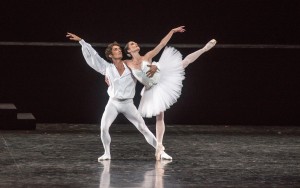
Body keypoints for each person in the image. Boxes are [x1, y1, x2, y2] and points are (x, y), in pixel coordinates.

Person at [66, 32, 172, 161]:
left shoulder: (130, 66)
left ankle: (161, 151)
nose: (119, 51)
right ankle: (107, 153)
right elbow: (94, 57)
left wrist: (154, 66)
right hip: (113, 103)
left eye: (119, 49)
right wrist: (82, 41)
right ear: (110, 55)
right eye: (116, 50)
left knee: (143, 128)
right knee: (104, 127)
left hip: (128, 104)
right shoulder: (107, 68)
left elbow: (143, 67)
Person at [124, 26, 217, 160]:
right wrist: (107, 75)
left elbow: (162, 44)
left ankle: (204, 49)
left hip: (161, 79)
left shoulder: (147, 56)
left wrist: (172, 31)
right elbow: (114, 67)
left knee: (184, 62)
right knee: (159, 116)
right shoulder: (127, 63)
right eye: (132, 44)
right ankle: (159, 148)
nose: (136, 44)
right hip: (151, 89)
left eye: (135, 43)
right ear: (128, 50)